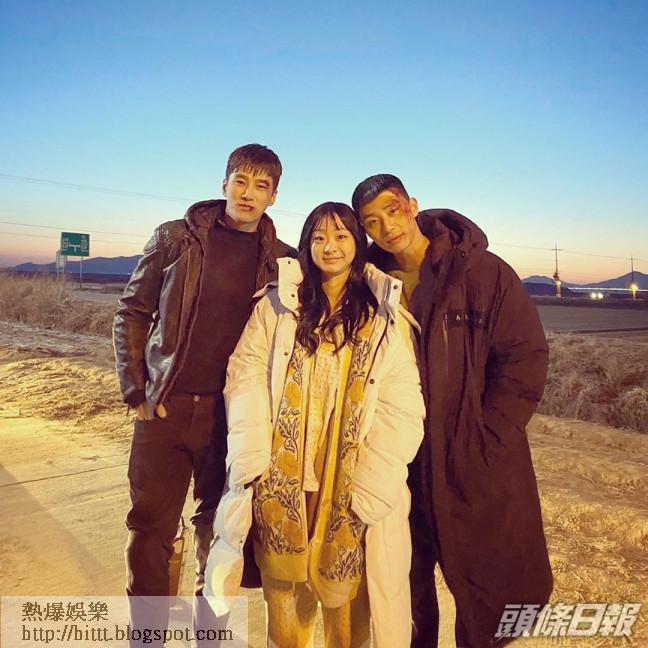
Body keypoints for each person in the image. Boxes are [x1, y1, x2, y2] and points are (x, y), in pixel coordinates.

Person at [351, 175, 553, 648]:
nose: (387, 227)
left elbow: (524, 356)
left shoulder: (481, 272)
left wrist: (488, 436)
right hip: (401, 457)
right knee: (405, 582)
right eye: (372, 222)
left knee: (487, 583)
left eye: (392, 211)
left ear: (413, 205)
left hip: (470, 454)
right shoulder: (371, 284)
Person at [221, 202, 425, 647]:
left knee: (346, 606)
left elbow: (402, 405)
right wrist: (252, 453)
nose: (329, 247)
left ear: (357, 244)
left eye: (341, 236)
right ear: (306, 244)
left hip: (348, 481)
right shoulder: (279, 306)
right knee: (284, 600)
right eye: (319, 238)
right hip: (283, 477)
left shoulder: (382, 316)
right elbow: (245, 373)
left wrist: (374, 480)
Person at [112, 143, 295, 642]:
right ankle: (147, 635)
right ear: (224, 184)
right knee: (150, 529)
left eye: (261, 185)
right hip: (165, 408)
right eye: (241, 181)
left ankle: (208, 635)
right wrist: (136, 390)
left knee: (220, 535)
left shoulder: (283, 262)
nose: (248, 193)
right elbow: (132, 312)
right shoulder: (176, 238)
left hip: (231, 418)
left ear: (274, 196)